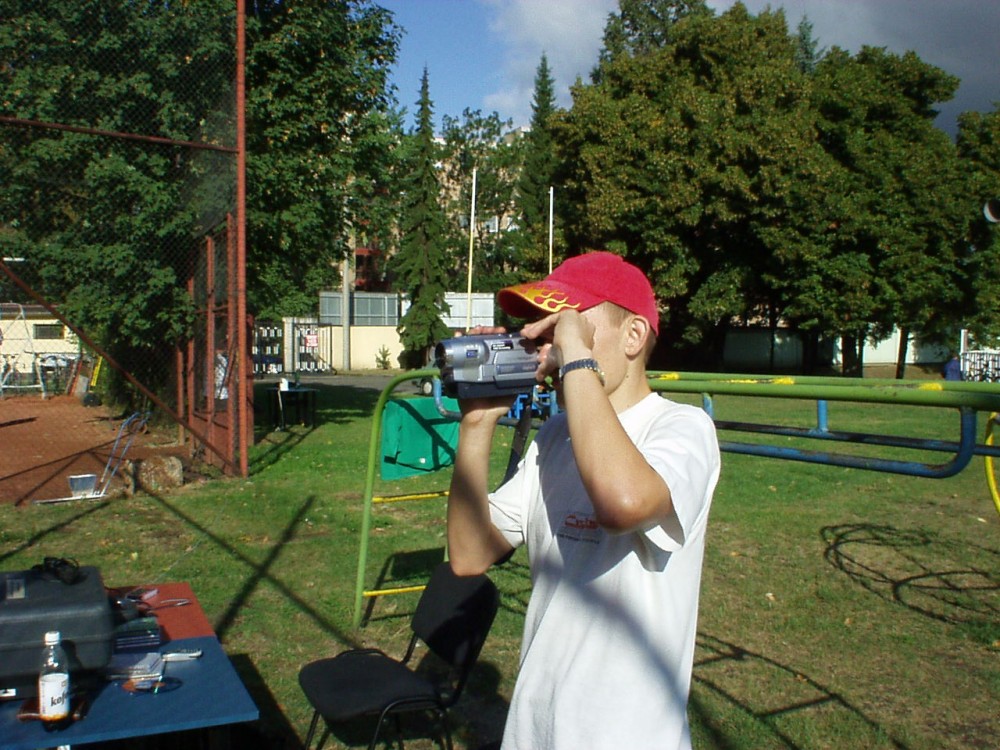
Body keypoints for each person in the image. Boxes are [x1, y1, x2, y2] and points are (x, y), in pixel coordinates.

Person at [447, 251, 721, 750]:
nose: (548, 343)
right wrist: (477, 423)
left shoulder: (682, 428)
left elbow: (622, 503)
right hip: (534, 731)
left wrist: (577, 355)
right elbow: (468, 556)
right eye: (544, 329)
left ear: (634, 337)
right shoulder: (555, 436)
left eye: (564, 324)